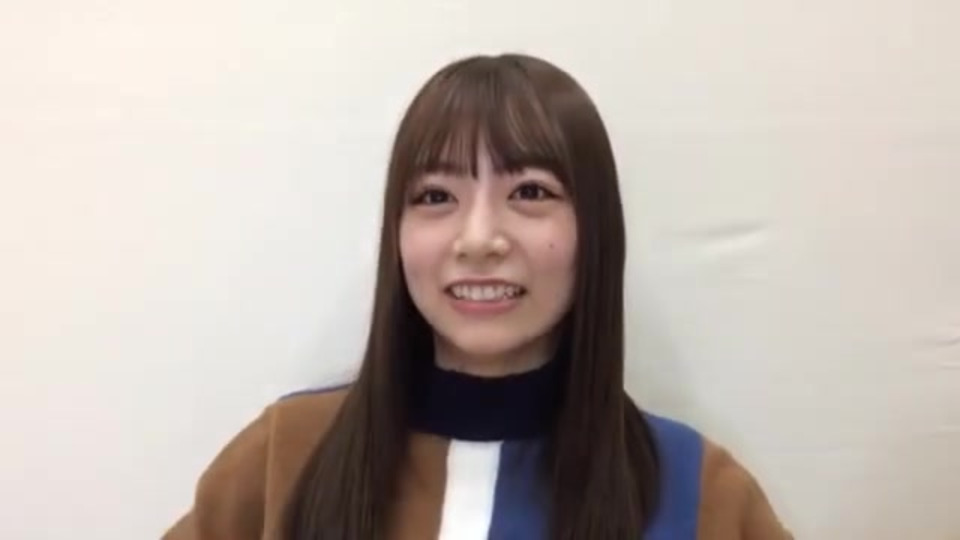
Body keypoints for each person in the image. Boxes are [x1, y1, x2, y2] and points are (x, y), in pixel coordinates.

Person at [163, 53, 792, 540]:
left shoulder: (699, 491)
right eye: (436, 196)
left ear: (595, 230)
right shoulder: (282, 459)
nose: (479, 238)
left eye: (530, 193)